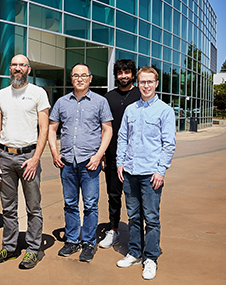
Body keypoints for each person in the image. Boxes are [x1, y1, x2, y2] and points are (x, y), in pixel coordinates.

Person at [0, 54, 50, 270]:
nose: (17, 68)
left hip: (28, 158)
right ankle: (10, 247)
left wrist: (35, 159)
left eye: (21, 65)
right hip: (5, 158)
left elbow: (44, 128)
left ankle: (33, 250)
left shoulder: (38, 93)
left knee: (33, 207)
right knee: (8, 207)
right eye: (14, 65)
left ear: (29, 69)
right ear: (10, 69)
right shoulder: (1, 95)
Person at [48, 63, 113, 262]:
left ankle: (88, 243)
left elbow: (108, 130)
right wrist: (54, 152)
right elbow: (52, 129)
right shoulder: (61, 102)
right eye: (76, 75)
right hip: (67, 162)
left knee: (91, 205)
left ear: (90, 78)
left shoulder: (100, 102)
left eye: (84, 75)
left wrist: (99, 155)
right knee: (70, 204)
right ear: (71, 78)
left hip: (89, 163)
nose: (80, 79)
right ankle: (72, 240)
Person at [116, 66, 176, 280]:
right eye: (142, 82)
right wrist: (119, 163)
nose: (146, 85)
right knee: (133, 216)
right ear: (137, 83)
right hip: (130, 172)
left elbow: (169, 144)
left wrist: (161, 171)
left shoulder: (165, 111)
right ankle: (134, 252)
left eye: (150, 81)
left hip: (151, 174)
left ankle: (150, 258)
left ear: (156, 83)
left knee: (151, 218)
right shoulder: (131, 110)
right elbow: (123, 137)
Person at [99, 59, 141, 249]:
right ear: (116, 75)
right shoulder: (108, 97)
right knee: (113, 196)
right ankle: (113, 230)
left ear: (133, 74)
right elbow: (103, 127)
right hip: (113, 156)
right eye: (120, 73)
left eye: (127, 72)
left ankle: (137, 235)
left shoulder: (141, 95)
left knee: (136, 198)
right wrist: (102, 154)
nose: (123, 76)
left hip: (137, 158)